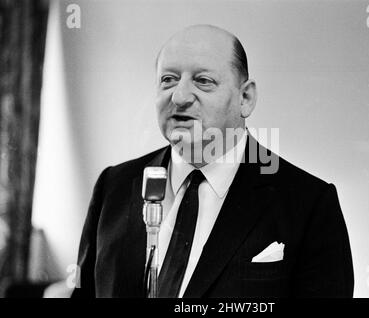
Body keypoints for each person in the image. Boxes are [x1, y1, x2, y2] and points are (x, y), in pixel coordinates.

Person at [71, 24, 354, 298]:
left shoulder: (308, 204)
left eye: (203, 81)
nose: (179, 97)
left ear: (246, 97)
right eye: (168, 79)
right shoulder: (114, 186)